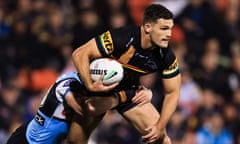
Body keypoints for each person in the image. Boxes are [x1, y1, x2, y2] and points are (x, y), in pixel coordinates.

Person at [70, 3, 181, 144]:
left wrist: (160, 126)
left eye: (170, 29)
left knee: (162, 139)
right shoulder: (121, 38)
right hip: (99, 88)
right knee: (75, 142)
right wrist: (90, 86)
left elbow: (173, 93)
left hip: (129, 93)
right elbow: (80, 54)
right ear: (148, 27)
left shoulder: (166, 56)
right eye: (164, 29)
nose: (169, 34)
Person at [6, 72, 152, 144]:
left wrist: (145, 92)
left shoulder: (92, 86)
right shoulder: (66, 84)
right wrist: (122, 96)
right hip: (26, 140)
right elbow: (82, 107)